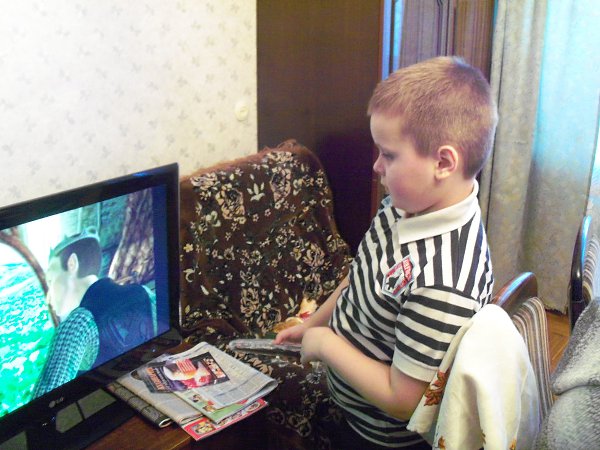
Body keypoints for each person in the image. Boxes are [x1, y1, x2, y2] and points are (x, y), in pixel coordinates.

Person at [275, 56, 498, 449]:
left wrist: (325, 343)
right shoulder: (403, 205)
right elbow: (358, 277)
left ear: (443, 162)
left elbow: (403, 399)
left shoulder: (444, 282)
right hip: (347, 401)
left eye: (389, 154)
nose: (376, 166)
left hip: (375, 435)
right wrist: (313, 326)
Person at [34, 229, 154, 398]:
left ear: (72, 263)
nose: (48, 297)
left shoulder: (76, 324)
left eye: (51, 280)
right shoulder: (142, 292)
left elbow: (45, 401)